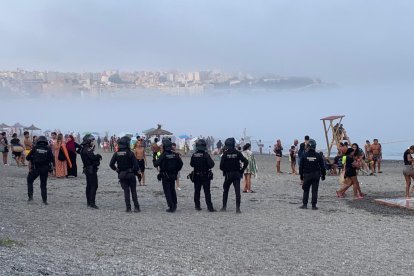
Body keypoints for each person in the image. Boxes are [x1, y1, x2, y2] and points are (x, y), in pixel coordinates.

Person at [110, 136, 141, 212]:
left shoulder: (116, 154)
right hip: (130, 174)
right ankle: (136, 207)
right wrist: (135, 172)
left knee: (126, 191)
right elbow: (136, 166)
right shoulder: (130, 153)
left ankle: (128, 208)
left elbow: (111, 164)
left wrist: (117, 170)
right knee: (133, 191)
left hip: (122, 174)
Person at [153, 138, 183, 213]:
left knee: (167, 191)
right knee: (172, 189)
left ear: (164, 146)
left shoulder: (163, 155)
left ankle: (171, 206)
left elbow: (156, 164)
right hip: (173, 175)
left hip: (165, 175)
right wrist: (176, 170)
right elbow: (181, 164)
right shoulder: (175, 154)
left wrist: (154, 157)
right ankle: (175, 204)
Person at [219, 138, 248, 213]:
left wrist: (225, 170)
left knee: (226, 191)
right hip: (236, 174)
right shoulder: (238, 153)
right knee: (237, 192)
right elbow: (246, 161)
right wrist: (241, 170)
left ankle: (224, 207)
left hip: (228, 175)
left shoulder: (225, 154)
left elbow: (221, 166)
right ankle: (238, 209)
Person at [26, 136, 54, 205]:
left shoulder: (35, 148)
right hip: (45, 169)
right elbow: (52, 159)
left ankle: (30, 197)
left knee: (29, 180)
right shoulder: (48, 148)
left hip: (36, 168)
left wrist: (33, 158)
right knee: (43, 184)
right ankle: (44, 200)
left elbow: (27, 157)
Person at [299, 139, 326, 210]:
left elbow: (301, 167)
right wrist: (323, 175)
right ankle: (313, 206)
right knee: (314, 190)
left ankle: (305, 205)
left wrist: (301, 177)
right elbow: (323, 167)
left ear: (307, 146)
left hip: (307, 175)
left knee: (306, 190)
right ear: (315, 146)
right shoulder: (318, 155)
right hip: (316, 175)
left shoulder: (304, 155)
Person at [190, 139, 216, 212]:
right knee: (207, 192)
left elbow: (191, 164)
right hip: (205, 176)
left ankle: (197, 206)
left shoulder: (194, 155)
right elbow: (212, 165)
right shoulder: (206, 155)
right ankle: (210, 207)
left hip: (197, 175)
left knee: (197, 191)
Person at [80, 134, 102, 209]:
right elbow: (93, 157)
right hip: (91, 169)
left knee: (89, 186)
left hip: (87, 169)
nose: (92, 142)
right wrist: (98, 156)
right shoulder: (87, 149)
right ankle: (92, 203)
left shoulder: (83, 149)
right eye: (92, 141)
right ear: (88, 141)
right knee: (94, 186)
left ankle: (89, 202)